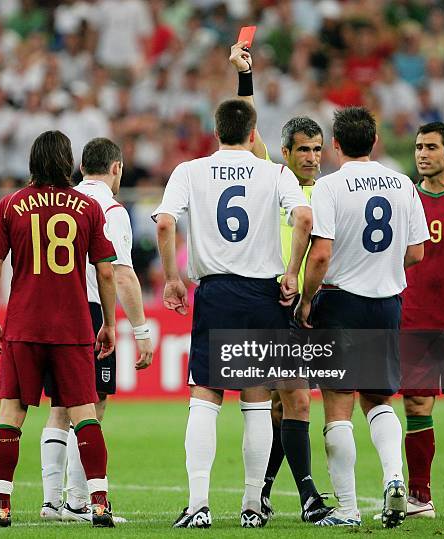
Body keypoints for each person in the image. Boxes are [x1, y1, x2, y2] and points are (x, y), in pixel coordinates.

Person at [154, 98, 313, 528]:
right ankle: (252, 506)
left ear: (216, 130)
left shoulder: (190, 171)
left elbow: (165, 223)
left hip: (217, 291)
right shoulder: (275, 171)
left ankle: (199, 505)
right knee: (258, 401)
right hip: (264, 295)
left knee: (205, 398)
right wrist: (293, 272)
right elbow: (303, 217)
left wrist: (172, 278)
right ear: (252, 131)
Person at [295, 107, 430, 527]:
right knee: (378, 399)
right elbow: (416, 252)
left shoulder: (330, 187)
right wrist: (381, 270)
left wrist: (306, 300)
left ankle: (349, 510)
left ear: (335, 145)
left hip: (340, 302)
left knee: (338, 405)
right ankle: (394, 479)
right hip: (386, 302)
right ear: (374, 142)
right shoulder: (402, 183)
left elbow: (320, 254)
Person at [0, 130, 118, 528]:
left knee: (12, 413)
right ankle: (99, 503)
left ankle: (2, 506)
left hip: (24, 323)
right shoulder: (87, 207)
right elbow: (105, 273)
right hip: (73, 325)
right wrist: (108, 322)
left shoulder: (10, 205)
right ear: (67, 160)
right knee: (84, 413)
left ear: (32, 161)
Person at [229, 41, 331, 522]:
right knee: (294, 398)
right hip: (273, 297)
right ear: (285, 151)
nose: (311, 158)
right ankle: (309, 497)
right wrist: (245, 77)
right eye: (303, 150)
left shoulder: (330, 190)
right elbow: (246, 131)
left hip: (313, 300)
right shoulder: (270, 177)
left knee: (282, 404)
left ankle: (264, 492)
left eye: (317, 150)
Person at [39, 137, 153, 523]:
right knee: (92, 405)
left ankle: (51, 502)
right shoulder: (111, 208)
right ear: (117, 167)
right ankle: (77, 501)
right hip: (88, 312)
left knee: (58, 407)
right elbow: (120, 273)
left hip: (52, 311)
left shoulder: (65, 200)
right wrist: (140, 330)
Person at [398, 122, 444, 518]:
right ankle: (420, 497)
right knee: (418, 403)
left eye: (432, 147)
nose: (422, 153)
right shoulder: (404, 199)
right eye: (419, 147)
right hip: (415, 317)